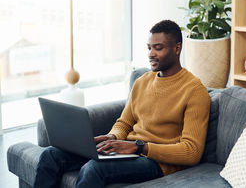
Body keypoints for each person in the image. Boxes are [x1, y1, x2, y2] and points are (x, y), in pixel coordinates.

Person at [33, 20, 211, 188]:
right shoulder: (142, 82)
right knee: (51, 154)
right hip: (128, 150)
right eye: (149, 48)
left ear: (177, 48)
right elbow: (124, 122)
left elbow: (192, 152)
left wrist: (140, 146)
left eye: (158, 48)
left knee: (93, 168)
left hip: (157, 162)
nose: (151, 54)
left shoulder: (194, 90)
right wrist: (112, 138)